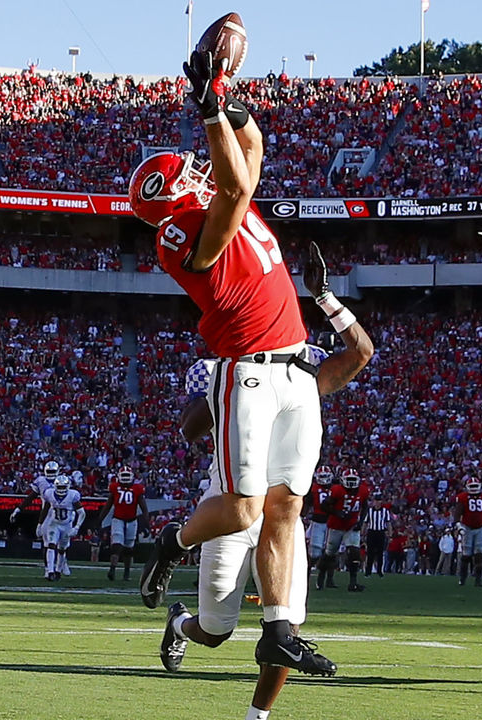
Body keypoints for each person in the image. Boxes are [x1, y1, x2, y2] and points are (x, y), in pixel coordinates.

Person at [131, 48, 348, 672]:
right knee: (242, 508)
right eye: (186, 175)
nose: (198, 173)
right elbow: (234, 180)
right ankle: (170, 545)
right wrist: (207, 108)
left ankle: (279, 628)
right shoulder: (183, 238)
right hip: (247, 370)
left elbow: (249, 153)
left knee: (285, 505)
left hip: (294, 369)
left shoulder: (227, 201)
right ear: (172, 200)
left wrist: (227, 97)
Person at [162, 294, 373, 718]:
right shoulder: (226, 371)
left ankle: (257, 717)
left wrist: (328, 300)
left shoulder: (306, 377)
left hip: (281, 516)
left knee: (287, 629)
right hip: (233, 510)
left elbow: (362, 351)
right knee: (215, 630)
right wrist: (236, 383)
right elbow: (189, 429)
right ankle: (180, 624)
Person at [318, 468, 370, 592]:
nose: (351, 483)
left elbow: (365, 507)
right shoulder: (337, 490)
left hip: (351, 526)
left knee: (354, 553)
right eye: (349, 480)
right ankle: (321, 577)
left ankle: (353, 583)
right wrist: (337, 512)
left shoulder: (363, 490)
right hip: (336, 526)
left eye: (353, 480)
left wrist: (360, 522)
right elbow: (324, 505)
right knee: (330, 553)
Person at [98, 467, 149, 581]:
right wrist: (100, 519)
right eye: (124, 475)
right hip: (118, 519)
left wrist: (146, 523)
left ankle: (126, 573)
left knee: (129, 549)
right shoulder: (115, 487)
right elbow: (108, 505)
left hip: (132, 520)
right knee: (117, 546)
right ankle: (112, 569)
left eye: (127, 475)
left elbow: (143, 507)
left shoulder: (137, 488)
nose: (125, 478)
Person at [38, 476, 85, 581]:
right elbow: (45, 509)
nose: (61, 489)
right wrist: (40, 523)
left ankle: (58, 571)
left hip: (66, 525)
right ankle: (50, 571)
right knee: (51, 545)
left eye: (63, 487)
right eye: (59, 487)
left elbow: (82, 513)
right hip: (54, 524)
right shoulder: (50, 494)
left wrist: (76, 527)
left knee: (62, 550)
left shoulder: (73, 495)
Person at [451, 477, 482, 587]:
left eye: (476, 486)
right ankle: (462, 578)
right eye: (472, 486)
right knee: (466, 554)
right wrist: (458, 525)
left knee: (479, 554)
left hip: (481, 527)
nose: (474, 489)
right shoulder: (462, 497)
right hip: (467, 527)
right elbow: (457, 513)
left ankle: (478, 580)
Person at [364, 500, 393, 578]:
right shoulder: (370, 511)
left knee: (380, 553)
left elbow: (388, 523)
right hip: (371, 532)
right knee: (370, 553)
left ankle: (380, 571)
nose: (377, 503)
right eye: (376, 501)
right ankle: (368, 572)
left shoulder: (385, 511)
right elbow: (365, 522)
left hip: (380, 532)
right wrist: (362, 533)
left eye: (378, 501)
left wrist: (390, 535)